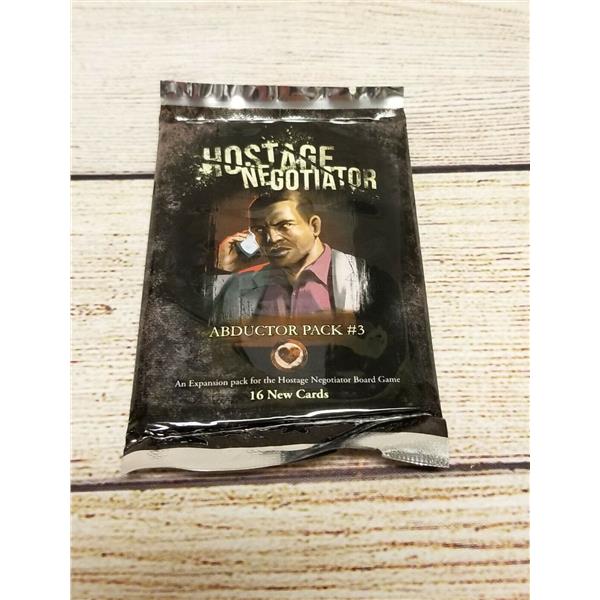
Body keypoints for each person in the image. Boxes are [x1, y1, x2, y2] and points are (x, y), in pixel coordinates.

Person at [212, 190, 372, 323]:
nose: (272, 239)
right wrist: (225, 270)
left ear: (314, 226)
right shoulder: (238, 284)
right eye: (259, 230)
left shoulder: (366, 278)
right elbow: (216, 336)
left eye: (284, 225)